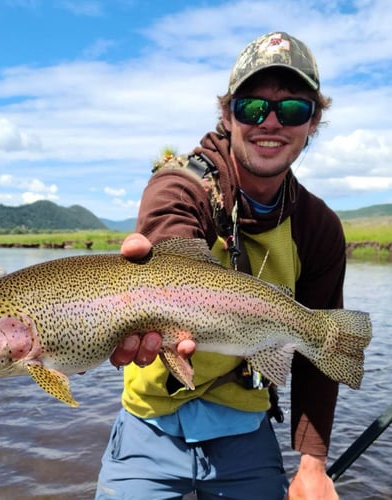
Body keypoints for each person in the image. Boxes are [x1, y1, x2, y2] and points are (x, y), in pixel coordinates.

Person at [96, 31, 343, 499]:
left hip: (244, 427)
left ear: (312, 123)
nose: (270, 122)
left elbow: (317, 357)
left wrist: (312, 464)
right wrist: (161, 291)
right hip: (150, 425)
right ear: (228, 114)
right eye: (252, 107)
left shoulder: (319, 228)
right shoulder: (179, 185)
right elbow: (169, 231)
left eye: (292, 109)